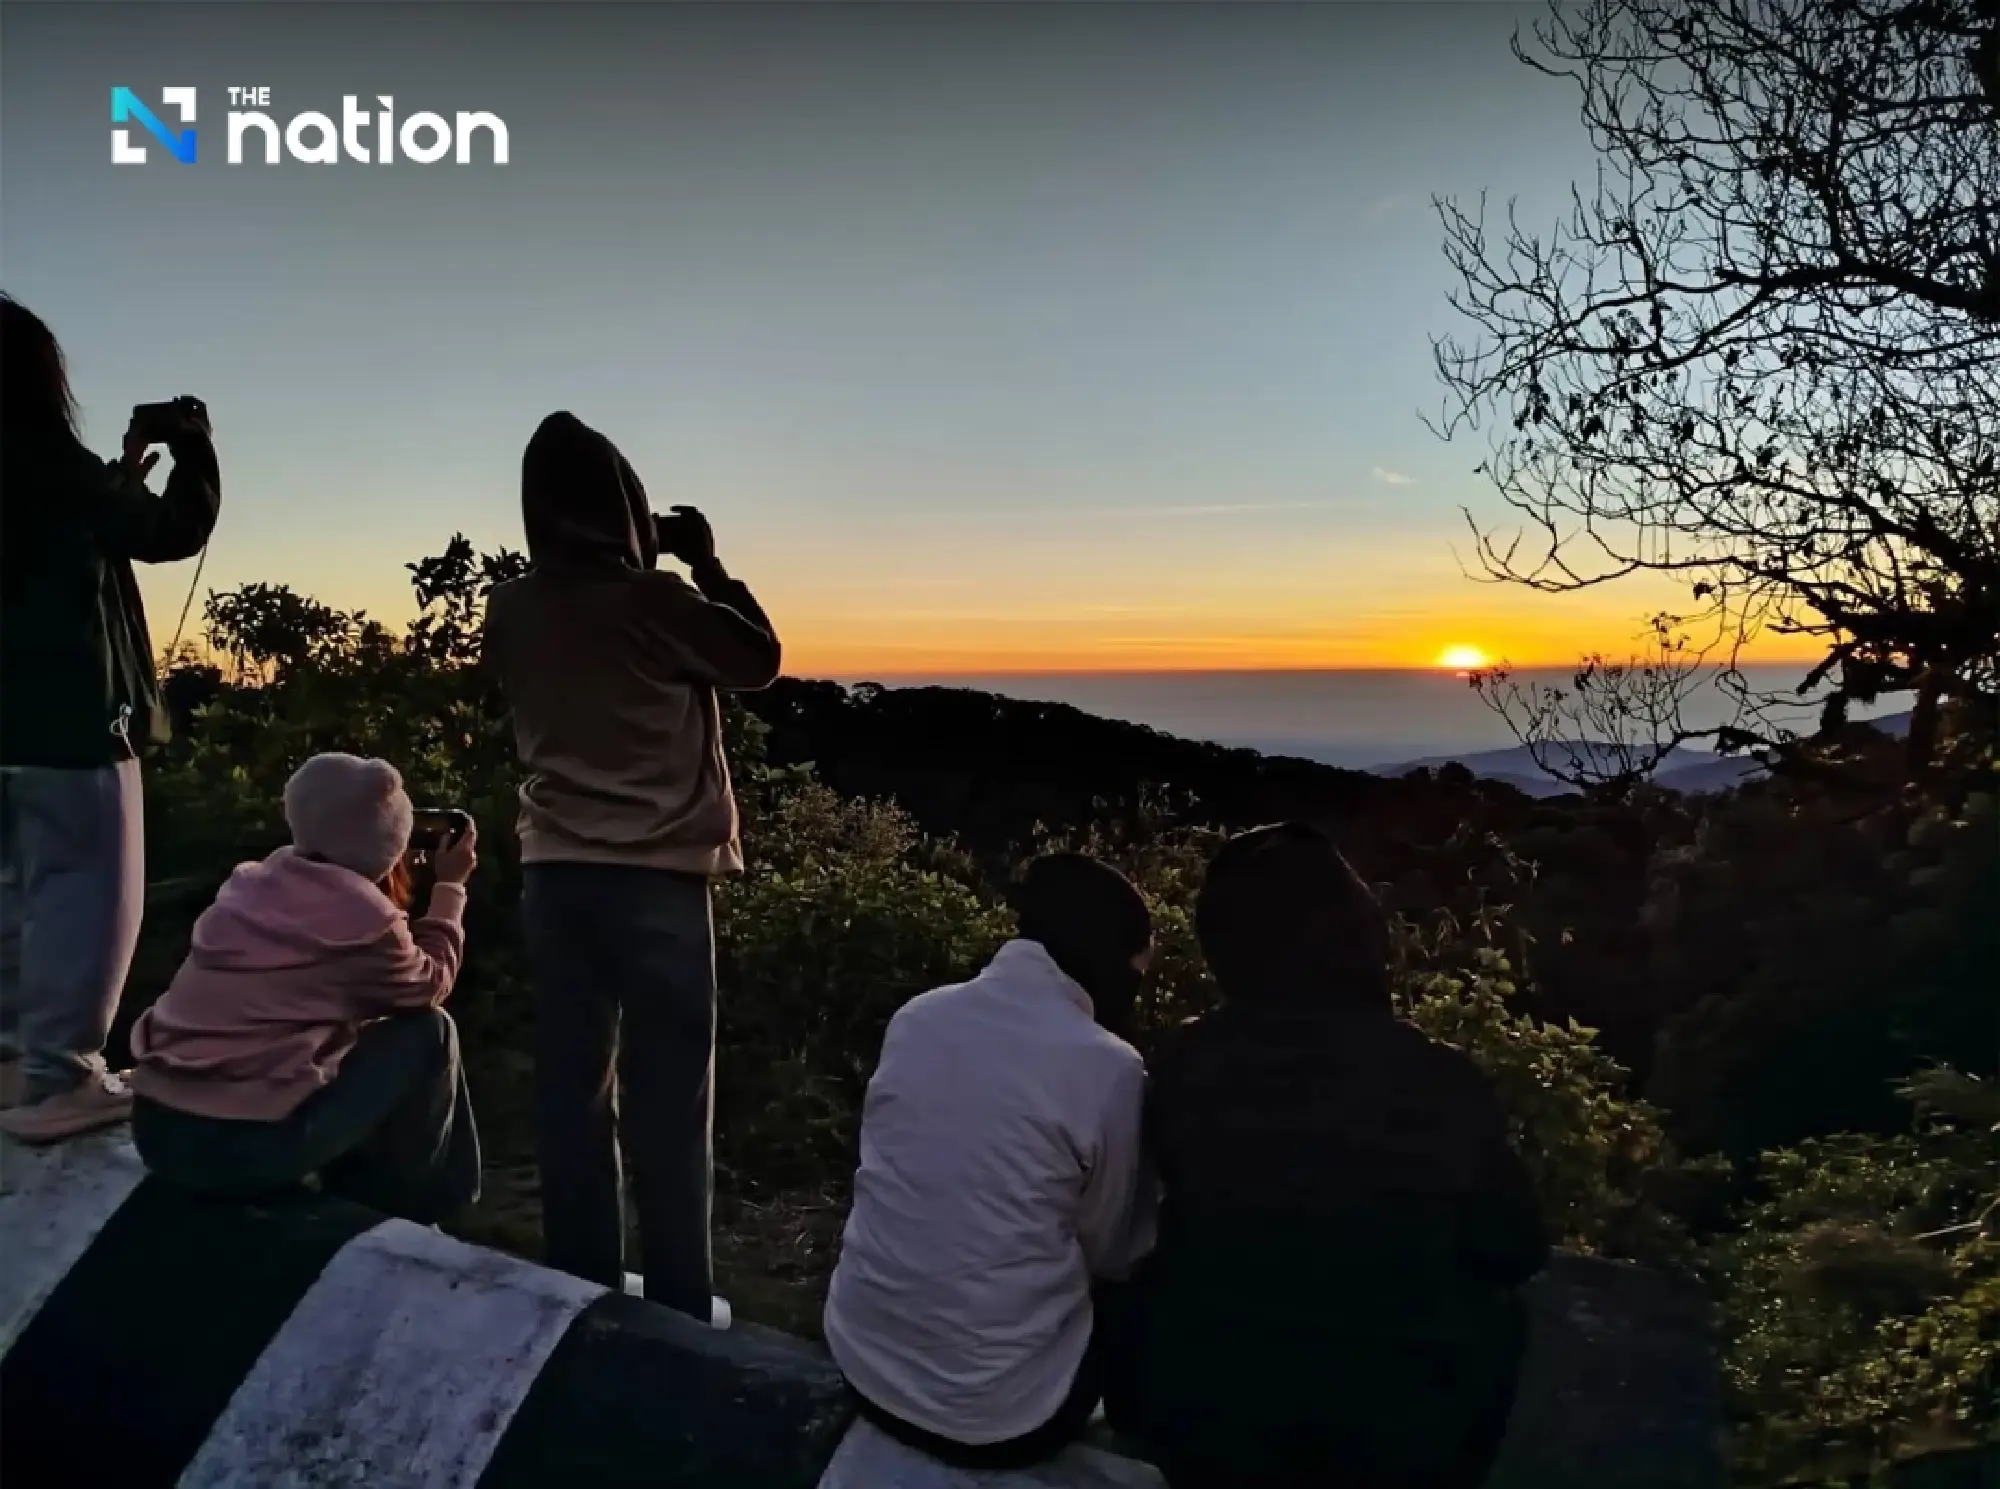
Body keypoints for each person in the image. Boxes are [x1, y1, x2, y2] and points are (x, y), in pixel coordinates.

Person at [1110, 823, 1548, 1489]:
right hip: (1396, 1438)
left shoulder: (1185, 1061)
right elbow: (1516, 1247)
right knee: (1502, 1315)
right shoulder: (1439, 1080)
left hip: (1206, 1419)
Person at [481, 411, 781, 1327]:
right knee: (668, 1106)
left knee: (572, 1094)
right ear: (629, 506)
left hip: (555, 872)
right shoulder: (655, 601)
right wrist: (706, 563)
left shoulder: (512, 606)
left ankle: (584, 1289)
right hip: (657, 879)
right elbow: (758, 659)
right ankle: (684, 1306)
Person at [824, 853, 1157, 1472]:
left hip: (861, 1361)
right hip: (1006, 1419)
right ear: (1110, 962)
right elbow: (1110, 1250)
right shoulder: (1109, 1067)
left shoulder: (917, 1017)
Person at [0, 293, 222, 1143]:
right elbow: (170, 529)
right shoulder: (49, 461)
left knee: (14, 895)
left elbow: (73, 532)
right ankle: (62, 1077)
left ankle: (16, 1062)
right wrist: (196, 447)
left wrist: (121, 472)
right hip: (72, 718)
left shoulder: (47, 477)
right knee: (89, 900)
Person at [126, 753, 482, 1225]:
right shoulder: (367, 920)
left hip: (155, 1130)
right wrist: (450, 888)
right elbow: (432, 983)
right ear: (392, 843)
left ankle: (432, 1199)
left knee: (344, 1037)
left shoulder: (247, 887)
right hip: (235, 1155)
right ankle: (412, 1212)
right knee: (430, 1032)